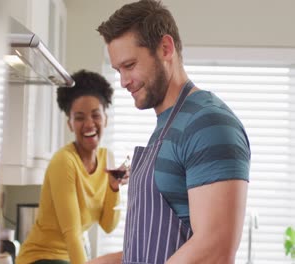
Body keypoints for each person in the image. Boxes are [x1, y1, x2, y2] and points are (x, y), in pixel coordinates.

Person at [89, 1, 251, 263]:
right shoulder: (167, 126)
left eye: (130, 65)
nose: (123, 81)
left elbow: (214, 249)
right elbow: (153, 250)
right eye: (118, 70)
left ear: (165, 48)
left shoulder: (208, 123)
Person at [15, 70, 125, 264]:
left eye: (95, 115)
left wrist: (114, 187)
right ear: (70, 124)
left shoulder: (107, 158)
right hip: (40, 257)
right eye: (80, 117)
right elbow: (72, 233)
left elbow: (108, 225)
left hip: (67, 258)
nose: (89, 124)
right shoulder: (64, 162)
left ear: (105, 119)